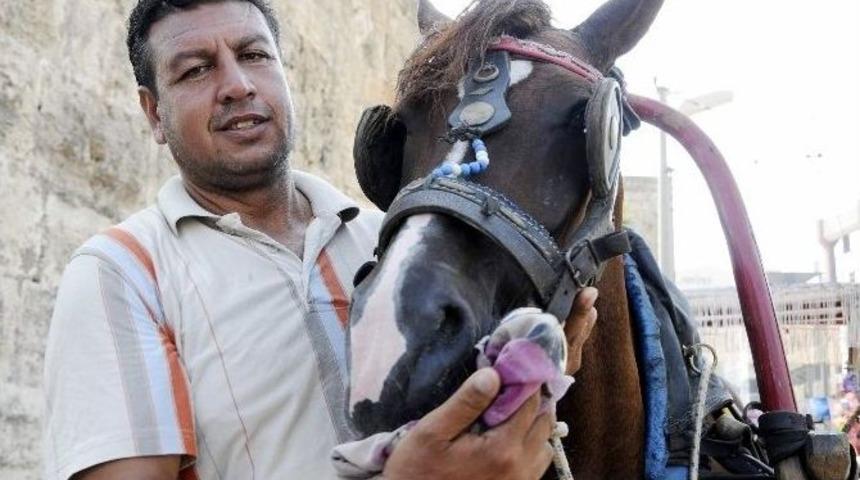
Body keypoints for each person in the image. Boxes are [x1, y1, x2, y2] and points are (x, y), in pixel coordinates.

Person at [42, 1, 600, 479]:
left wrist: (540, 377)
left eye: (255, 55)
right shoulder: (121, 274)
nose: (237, 85)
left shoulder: (384, 241)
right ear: (153, 113)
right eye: (195, 71)